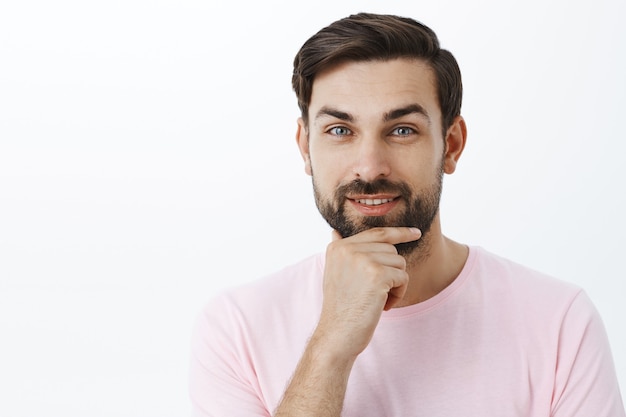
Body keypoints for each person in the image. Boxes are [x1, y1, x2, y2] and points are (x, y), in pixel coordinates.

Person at [189, 12, 625, 416]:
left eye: (402, 130)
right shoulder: (237, 327)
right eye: (340, 130)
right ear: (306, 146)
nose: (370, 165)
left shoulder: (558, 321)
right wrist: (331, 344)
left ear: (451, 144)